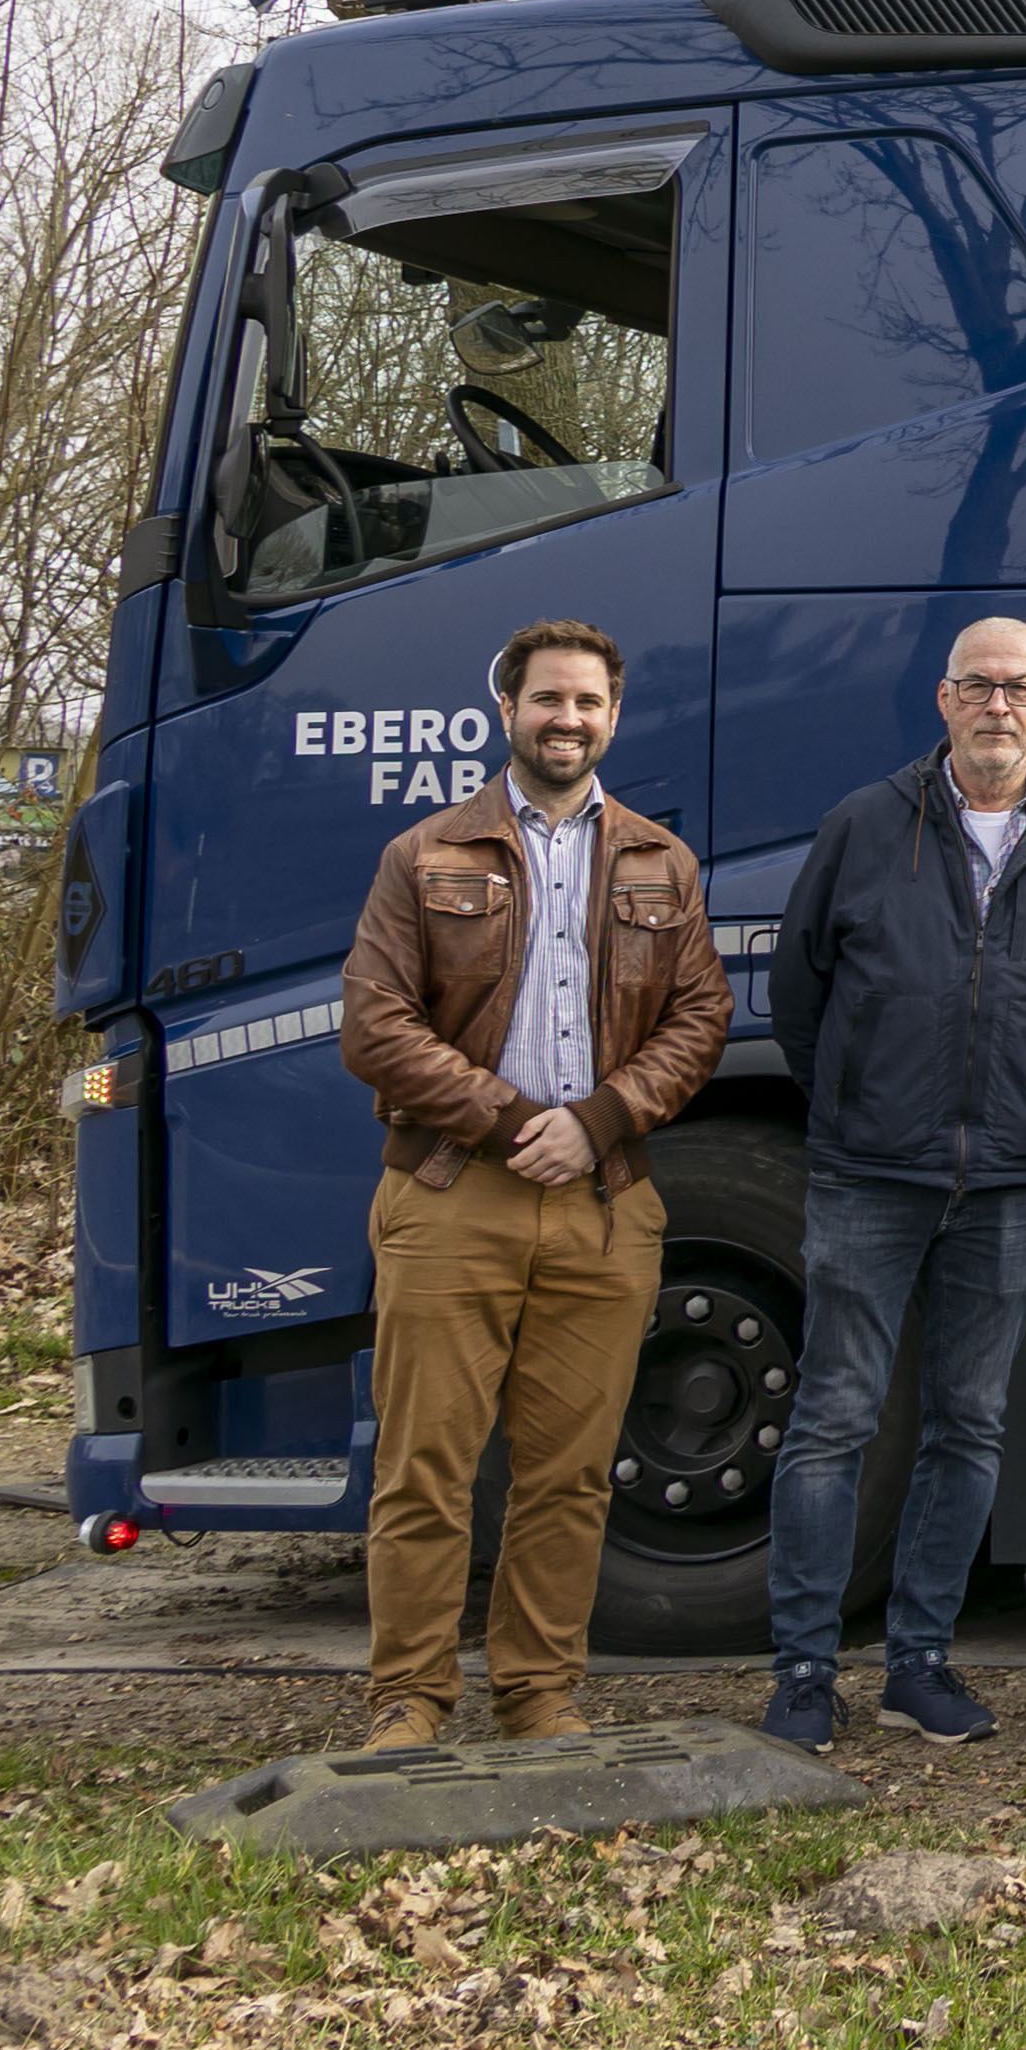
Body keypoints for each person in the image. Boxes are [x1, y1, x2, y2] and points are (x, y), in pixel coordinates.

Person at [334, 619, 726, 1749]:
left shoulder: (661, 862)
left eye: (588, 703)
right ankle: (407, 1700)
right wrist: (516, 1122)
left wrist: (598, 1121)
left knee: (570, 1475)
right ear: (507, 712)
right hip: (454, 1189)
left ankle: (539, 1697)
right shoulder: (424, 858)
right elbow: (376, 1025)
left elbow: (702, 1016)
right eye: (548, 700)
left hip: (605, 1203)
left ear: (613, 717)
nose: (568, 720)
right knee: (425, 1470)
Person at [752, 616, 1026, 1751]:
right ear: (943, 699)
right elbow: (799, 992)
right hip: (871, 1172)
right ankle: (803, 1677)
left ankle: (919, 1663)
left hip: (1010, 1181)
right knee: (832, 1419)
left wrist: (1022, 1112)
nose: (998, 706)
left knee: (968, 1428)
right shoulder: (865, 826)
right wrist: (855, 1112)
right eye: (979, 686)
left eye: (1020, 687)